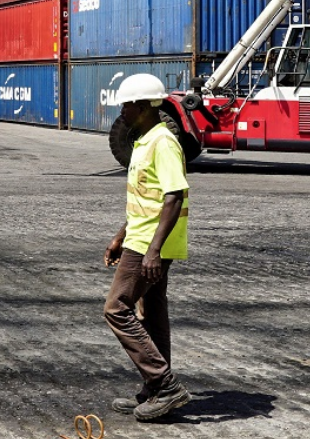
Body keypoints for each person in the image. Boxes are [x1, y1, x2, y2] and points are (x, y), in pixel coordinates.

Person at [103, 73, 191, 422]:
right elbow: (148, 197)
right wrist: (120, 235)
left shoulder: (163, 142)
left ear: (142, 106)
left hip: (150, 244)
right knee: (151, 311)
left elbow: (173, 196)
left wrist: (153, 250)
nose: (122, 111)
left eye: (126, 105)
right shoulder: (144, 140)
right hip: (140, 238)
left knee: (116, 309)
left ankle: (166, 385)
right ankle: (155, 390)